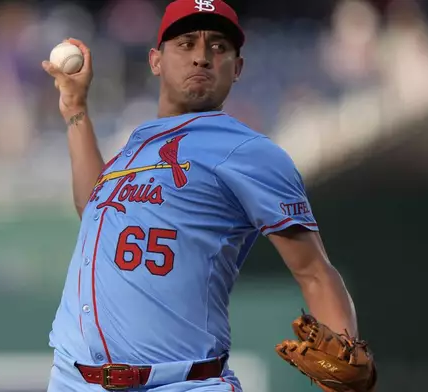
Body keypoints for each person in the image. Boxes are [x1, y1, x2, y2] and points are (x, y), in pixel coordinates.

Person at [41, 0, 360, 391]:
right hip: (74, 381)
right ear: (156, 61)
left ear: (237, 68)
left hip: (183, 382)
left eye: (218, 47)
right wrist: (75, 108)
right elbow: (92, 206)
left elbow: (314, 271)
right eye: (186, 43)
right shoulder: (135, 145)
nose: (201, 57)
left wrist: (343, 372)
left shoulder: (249, 152)